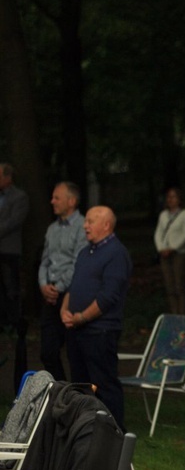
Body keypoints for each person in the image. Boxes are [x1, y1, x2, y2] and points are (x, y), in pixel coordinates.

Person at [61, 206, 132, 430]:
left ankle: (114, 433)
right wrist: (65, 309)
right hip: (77, 330)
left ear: (106, 225)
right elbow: (74, 286)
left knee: (104, 384)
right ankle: (84, 431)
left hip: (100, 330)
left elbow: (108, 296)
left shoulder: (116, 254)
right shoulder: (86, 252)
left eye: (90, 222)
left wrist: (82, 316)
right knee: (80, 385)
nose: (85, 226)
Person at [38, 181, 87, 380]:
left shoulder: (83, 226)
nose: (52, 201)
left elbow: (78, 263)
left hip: (71, 296)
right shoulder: (52, 229)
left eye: (57, 197)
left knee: (75, 354)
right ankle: (61, 393)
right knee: (47, 352)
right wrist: (43, 285)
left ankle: (78, 399)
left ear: (71, 201)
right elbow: (44, 261)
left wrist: (58, 288)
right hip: (49, 296)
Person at [154, 187, 185, 314]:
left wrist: (173, 248)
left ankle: (182, 314)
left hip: (179, 253)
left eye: (174, 197)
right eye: (169, 197)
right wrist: (161, 248)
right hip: (164, 253)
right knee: (169, 285)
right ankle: (173, 312)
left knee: (179, 284)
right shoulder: (163, 215)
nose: (171, 199)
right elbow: (158, 233)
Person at [0, 163, 29, 332]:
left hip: (9, 249)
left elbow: (14, 222)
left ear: (8, 177)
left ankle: (14, 321)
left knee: (11, 286)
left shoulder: (19, 197)